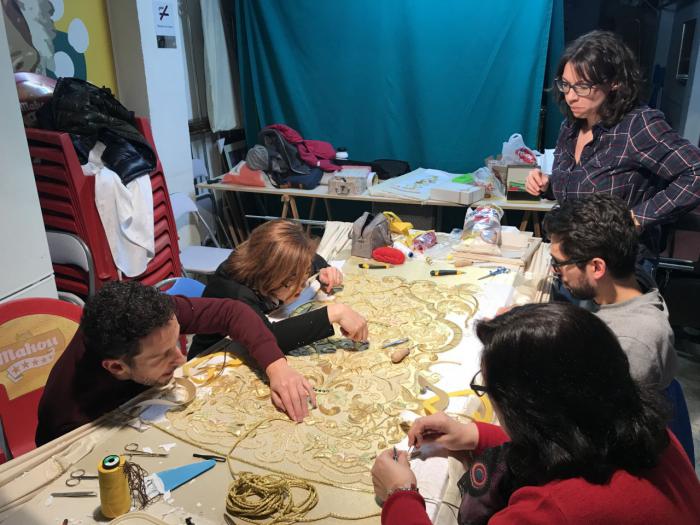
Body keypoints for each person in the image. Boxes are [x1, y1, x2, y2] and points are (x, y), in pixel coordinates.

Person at [371, 303, 700, 524]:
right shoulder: (640, 428)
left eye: (488, 390)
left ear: (529, 411)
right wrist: (474, 435)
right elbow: (571, 443)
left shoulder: (553, 511)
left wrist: (400, 495)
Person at [36, 281, 317, 445]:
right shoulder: (67, 414)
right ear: (117, 368)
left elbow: (233, 311)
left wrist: (277, 367)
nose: (181, 359)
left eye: (176, 342)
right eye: (162, 356)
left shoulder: (153, 315)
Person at [543, 193, 694, 463]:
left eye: (559, 264)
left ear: (597, 267)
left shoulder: (629, 343)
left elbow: (596, 437)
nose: (557, 272)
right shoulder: (632, 284)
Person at [525, 30, 700, 255]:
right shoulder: (570, 127)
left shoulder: (637, 126)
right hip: (575, 254)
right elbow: (581, 190)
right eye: (566, 85)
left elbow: (695, 172)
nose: (570, 96)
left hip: (619, 264)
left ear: (614, 83)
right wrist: (547, 185)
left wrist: (634, 219)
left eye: (582, 86)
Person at [189, 220, 368, 358]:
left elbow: (312, 259)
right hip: (211, 358)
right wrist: (334, 313)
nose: (302, 286)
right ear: (273, 275)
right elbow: (268, 340)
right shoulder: (234, 292)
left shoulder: (269, 263)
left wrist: (324, 271)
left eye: (304, 277)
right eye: (295, 281)